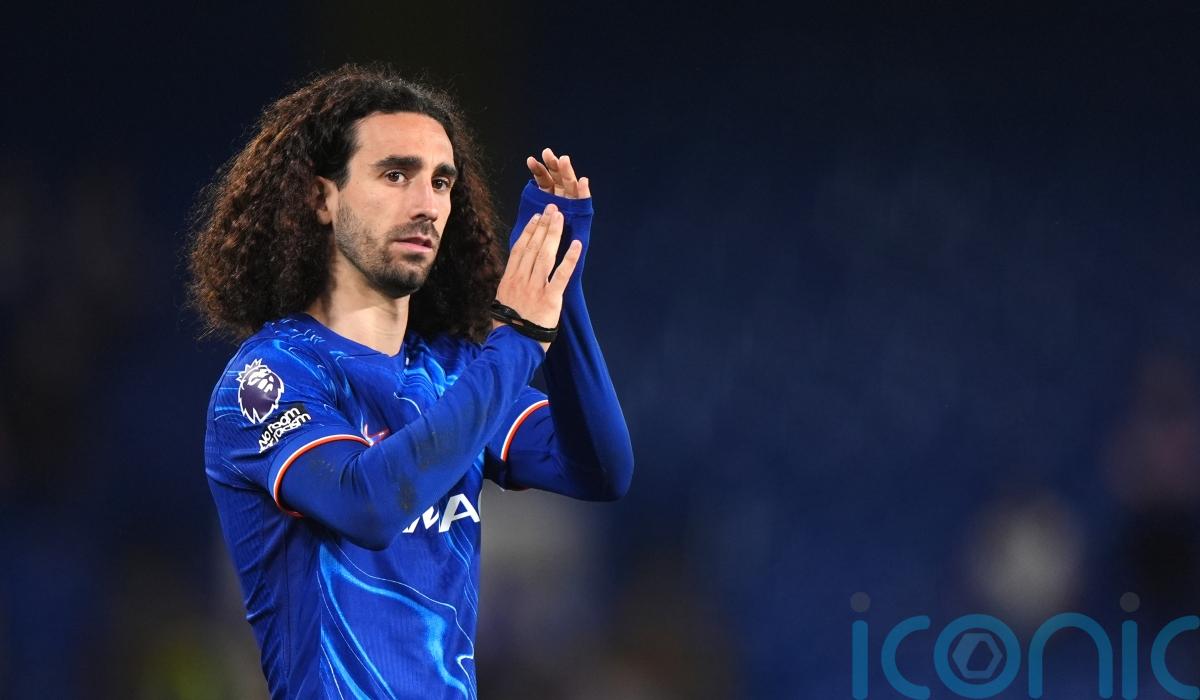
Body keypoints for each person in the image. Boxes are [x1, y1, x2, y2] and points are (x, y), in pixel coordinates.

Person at [187, 63, 633, 699]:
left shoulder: (451, 373)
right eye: (395, 174)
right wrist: (518, 338)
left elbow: (599, 470)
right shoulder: (270, 376)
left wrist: (559, 284)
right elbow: (367, 504)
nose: (426, 204)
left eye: (441, 181)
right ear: (322, 198)